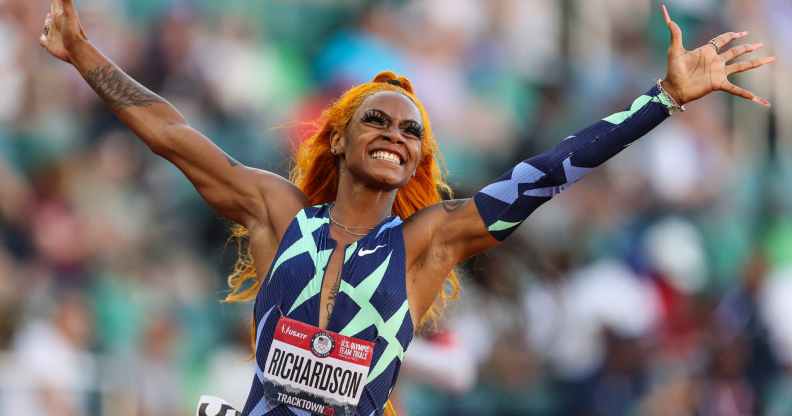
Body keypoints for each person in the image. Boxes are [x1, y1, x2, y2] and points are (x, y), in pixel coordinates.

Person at [39, 1, 774, 415]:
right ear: (339, 138)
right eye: (379, 121)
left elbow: (547, 175)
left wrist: (665, 100)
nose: (396, 134)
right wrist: (83, 54)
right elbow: (171, 133)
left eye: (411, 130)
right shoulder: (277, 214)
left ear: (419, 160)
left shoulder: (427, 244)